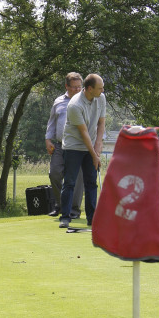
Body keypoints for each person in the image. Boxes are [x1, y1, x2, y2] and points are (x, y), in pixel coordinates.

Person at [59, 73, 106, 228]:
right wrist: (94, 155)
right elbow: (83, 133)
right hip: (73, 146)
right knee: (70, 182)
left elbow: (101, 123)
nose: (102, 90)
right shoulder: (74, 105)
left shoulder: (101, 98)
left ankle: (92, 219)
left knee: (91, 182)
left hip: (91, 144)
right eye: (100, 88)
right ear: (90, 88)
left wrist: (98, 145)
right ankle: (65, 217)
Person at [45, 72, 84, 218]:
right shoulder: (58, 101)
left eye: (79, 87)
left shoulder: (86, 101)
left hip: (79, 146)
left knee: (77, 179)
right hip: (60, 145)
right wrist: (48, 140)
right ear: (66, 86)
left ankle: (74, 209)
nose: (77, 90)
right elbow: (52, 123)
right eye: (74, 87)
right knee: (54, 173)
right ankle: (61, 205)